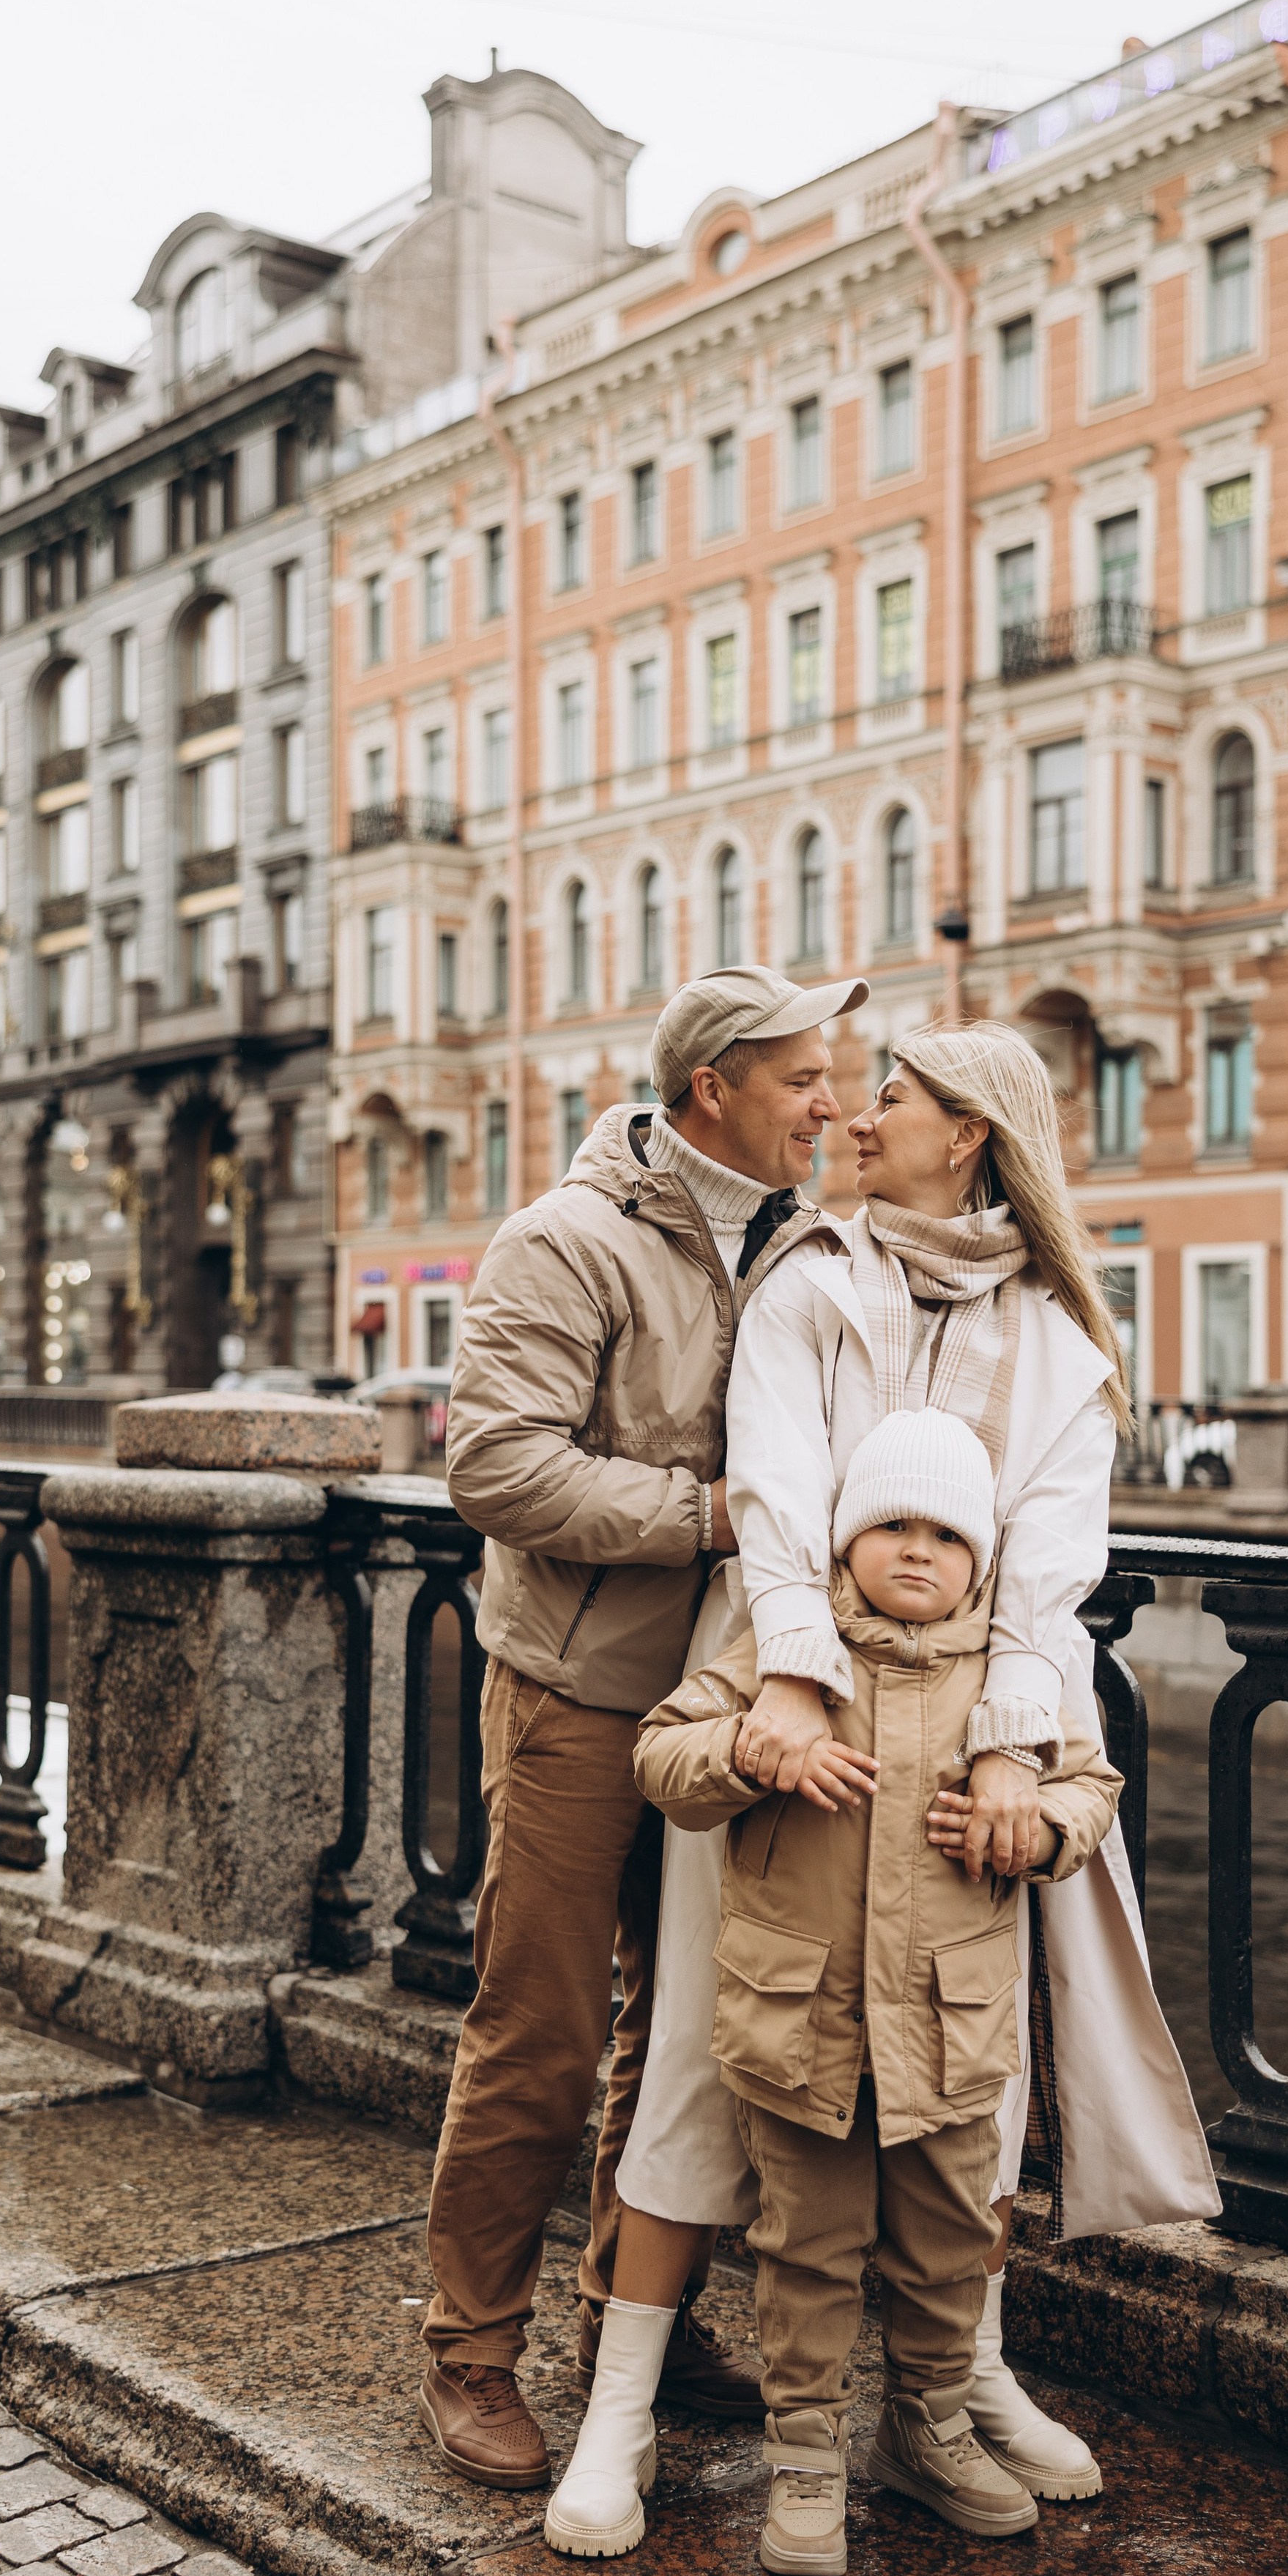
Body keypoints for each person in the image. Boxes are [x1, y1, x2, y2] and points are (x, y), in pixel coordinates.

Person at [567, 1019, 1217, 2531]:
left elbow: (1048, 1570)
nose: (859, 1113)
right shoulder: (813, 1279)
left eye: (896, 1097)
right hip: (780, 1711)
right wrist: (786, 1689)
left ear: (969, 1131)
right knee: (694, 2057)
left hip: (983, 1730)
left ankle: (956, 2378)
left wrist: (1005, 1752)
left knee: (962, 2076)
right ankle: (619, 2405)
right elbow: (775, 1489)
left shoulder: (1061, 1339)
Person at [420, 962, 868, 2489]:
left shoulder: (815, 1242)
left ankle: (640, 2316)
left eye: (838, 1072)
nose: (833, 1100)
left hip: (735, 1708)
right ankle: (470, 2350)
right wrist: (713, 1520)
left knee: (677, 2039)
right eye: (805, 1076)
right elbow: (494, 1468)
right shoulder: (563, 1239)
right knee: (537, 2033)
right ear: (710, 1094)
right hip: (577, 1691)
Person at [547, 1409, 1124, 2572]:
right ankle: (804, 2458)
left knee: (951, 2244)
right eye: (891, 1526)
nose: (919, 1553)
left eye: (948, 1537)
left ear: (986, 1560)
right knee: (803, 2250)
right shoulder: (785, 1654)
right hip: (799, 2028)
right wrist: (749, 1752)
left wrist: (1043, 1827)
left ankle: (928, 2425)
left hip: (949, 2036)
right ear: (842, 1538)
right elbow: (663, 1754)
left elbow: (1091, 1786)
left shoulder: (1010, 1680)